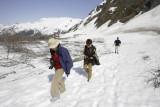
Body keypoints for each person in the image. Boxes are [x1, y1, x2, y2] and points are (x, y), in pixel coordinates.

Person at [48, 38, 73, 102]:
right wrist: (51, 61)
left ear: (57, 45)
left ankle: (55, 95)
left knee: (54, 81)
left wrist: (67, 71)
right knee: (60, 79)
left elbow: (69, 61)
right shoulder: (52, 50)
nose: (52, 48)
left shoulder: (63, 50)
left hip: (61, 68)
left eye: (53, 47)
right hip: (56, 67)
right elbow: (54, 57)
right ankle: (63, 90)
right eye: (51, 47)